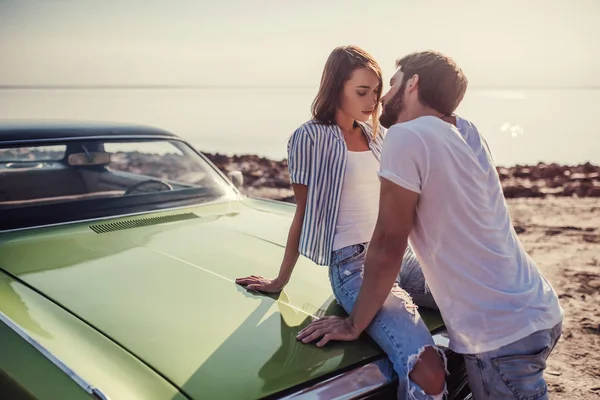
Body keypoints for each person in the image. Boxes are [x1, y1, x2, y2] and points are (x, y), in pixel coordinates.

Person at [297, 50, 564, 400]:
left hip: (501, 337)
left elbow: (389, 242)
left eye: (390, 85)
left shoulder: (406, 136)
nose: (381, 99)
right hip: (539, 307)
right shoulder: (466, 131)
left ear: (413, 83)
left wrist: (352, 324)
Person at [236, 45, 468, 400]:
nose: (373, 101)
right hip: (352, 268)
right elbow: (303, 211)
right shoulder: (308, 137)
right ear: (335, 88)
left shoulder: (377, 136)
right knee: (427, 367)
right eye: (362, 91)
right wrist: (280, 279)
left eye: (376, 92)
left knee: (471, 300)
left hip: (399, 257)